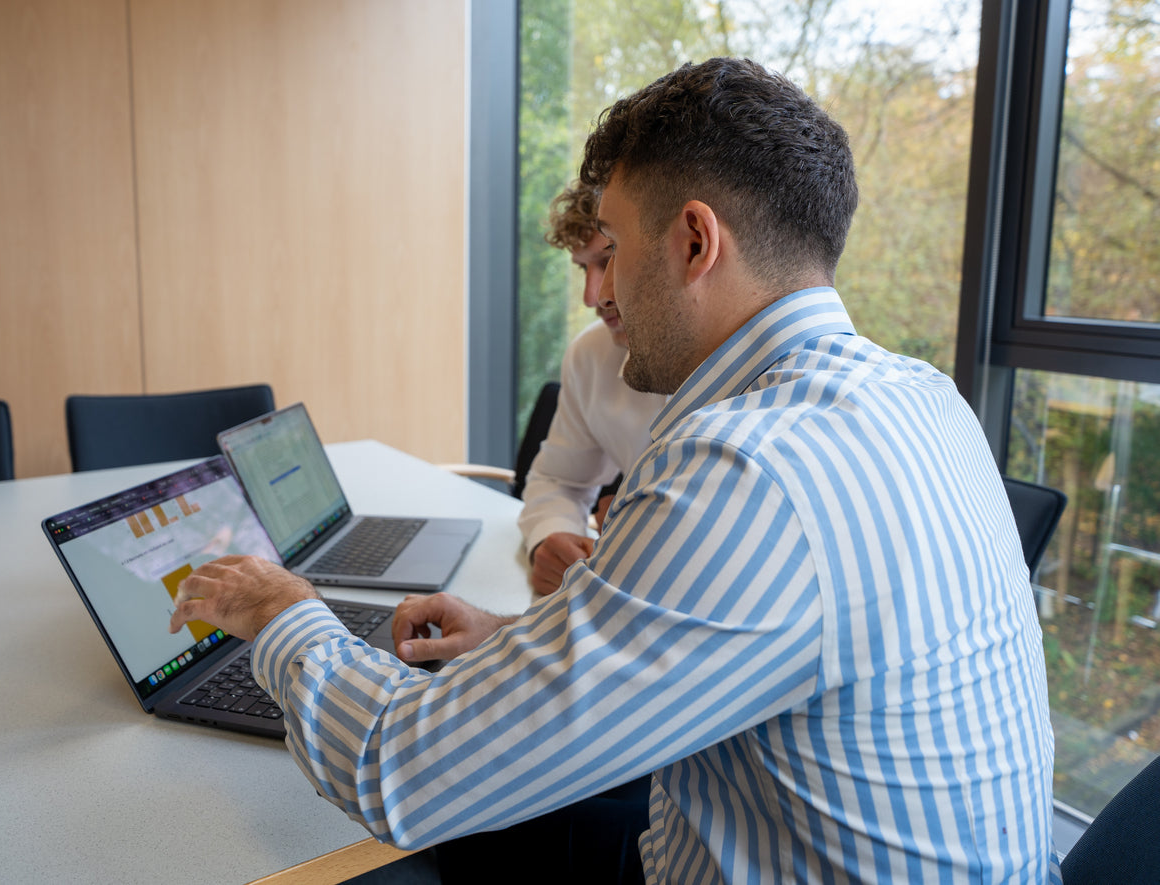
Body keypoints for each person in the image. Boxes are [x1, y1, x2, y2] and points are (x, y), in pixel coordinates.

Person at [171, 57, 1060, 882]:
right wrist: (517, 645)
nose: (602, 293)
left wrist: (280, 610)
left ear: (693, 242)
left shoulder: (742, 466)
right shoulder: (925, 398)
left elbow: (399, 770)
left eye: (615, 247)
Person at [521, 180, 668, 597]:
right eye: (583, 269)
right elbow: (559, 480)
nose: (592, 296)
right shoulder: (590, 354)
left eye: (609, 259)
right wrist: (551, 536)